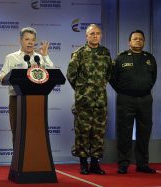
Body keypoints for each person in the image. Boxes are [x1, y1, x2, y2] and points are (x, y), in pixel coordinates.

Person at [109, 30, 157, 174]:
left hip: (145, 100)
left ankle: (142, 164)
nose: (138, 41)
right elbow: (112, 78)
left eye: (141, 39)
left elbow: (153, 78)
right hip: (125, 99)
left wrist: (143, 89)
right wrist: (124, 91)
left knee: (144, 132)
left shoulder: (150, 58)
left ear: (144, 42)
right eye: (135, 39)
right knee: (124, 132)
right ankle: (123, 163)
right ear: (129, 42)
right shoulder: (121, 58)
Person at [66, 24, 112, 175]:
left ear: (101, 36)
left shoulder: (105, 53)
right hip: (84, 101)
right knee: (83, 132)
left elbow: (108, 74)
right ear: (86, 36)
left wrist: (98, 88)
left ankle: (95, 164)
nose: (95, 36)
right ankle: (83, 164)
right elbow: (71, 75)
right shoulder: (79, 53)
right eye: (92, 33)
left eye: (98, 33)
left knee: (98, 132)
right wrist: (82, 91)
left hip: (100, 101)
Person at [0, 27, 54, 145]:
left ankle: (34, 161)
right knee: (17, 133)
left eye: (33, 40)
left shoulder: (39, 58)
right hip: (16, 99)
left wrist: (46, 56)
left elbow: (53, 74)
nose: (30, 42)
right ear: (20, 40)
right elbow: (1, 77)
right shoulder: (11, 57)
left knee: (35, 133)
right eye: (27, 39)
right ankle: (18, 163)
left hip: (36, 101)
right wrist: (7, 78)